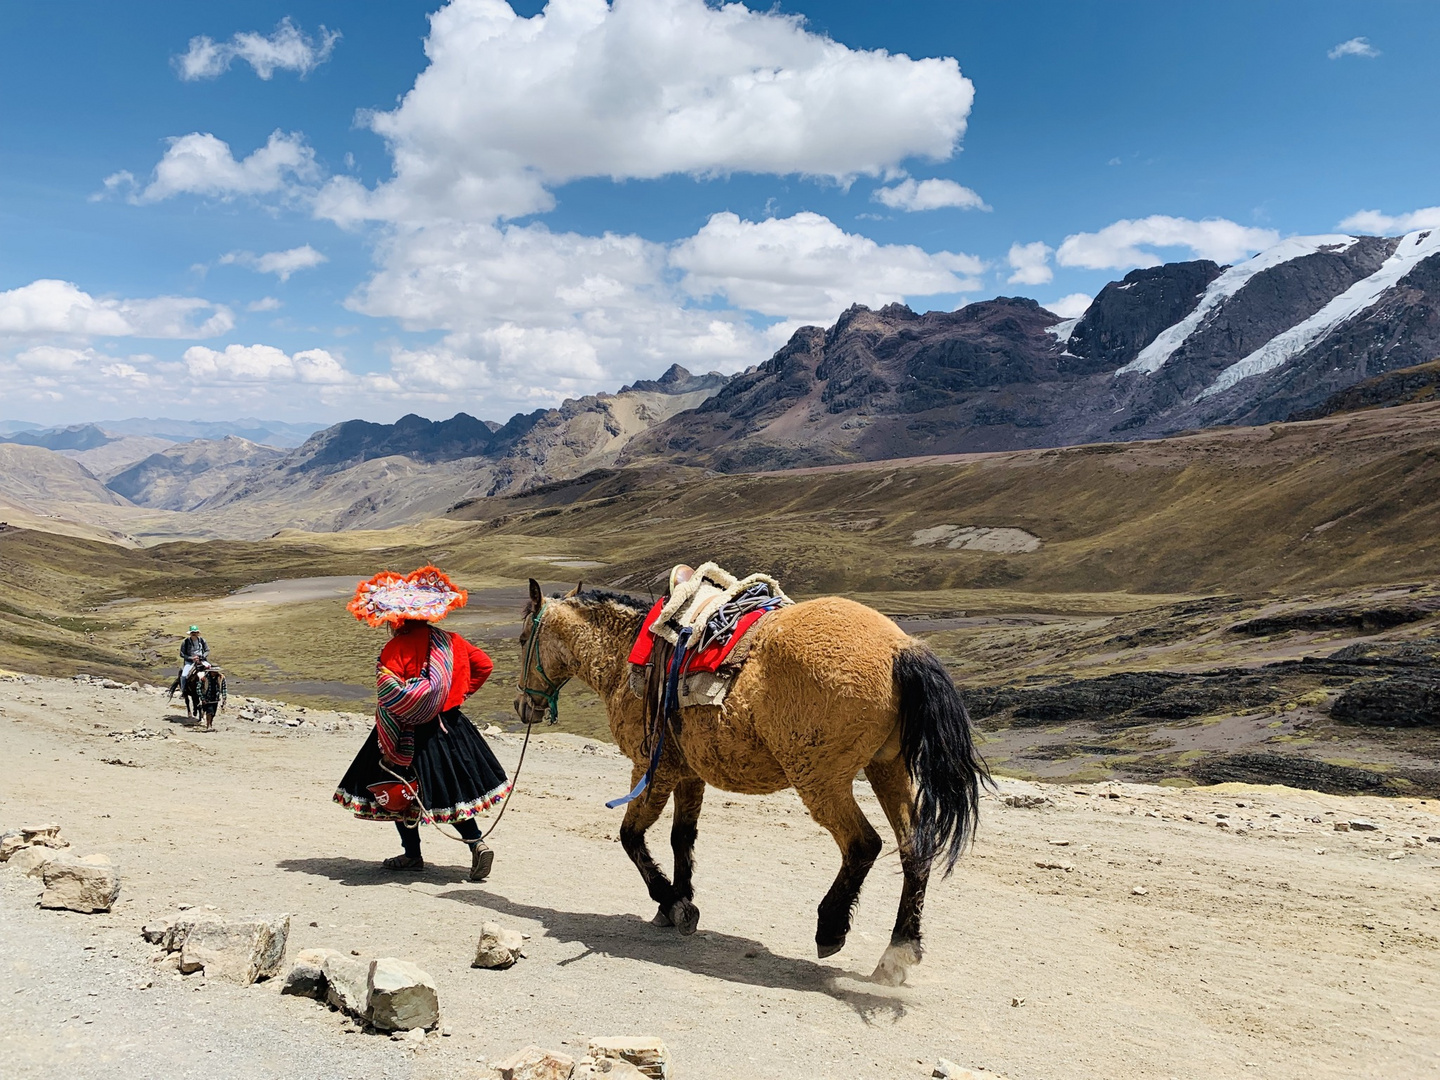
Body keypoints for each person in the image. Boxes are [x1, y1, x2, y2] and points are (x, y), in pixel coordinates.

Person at [333, 566, 509, 881]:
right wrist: (459, 693)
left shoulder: (394, 648)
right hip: (450, 726)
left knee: (401, 791)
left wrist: (394, 736)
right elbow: (485, 664)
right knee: (452, 791)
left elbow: (390, 698)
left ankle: (412, 854)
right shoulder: (452, 642)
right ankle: (476, 843)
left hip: (406, 732)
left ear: (396, 619)